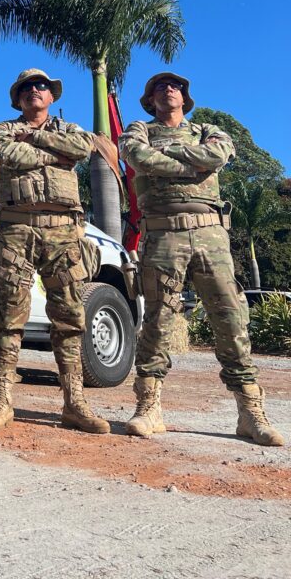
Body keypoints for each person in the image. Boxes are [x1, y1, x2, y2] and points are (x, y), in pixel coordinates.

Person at [119, 72, 283, 446]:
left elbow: (219, 154)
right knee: (159, 318)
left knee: (230, 316)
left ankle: (250, 412)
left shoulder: (208, 129)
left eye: (176, 86)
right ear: (149, 100)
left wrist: (170, 156)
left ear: (185, 97)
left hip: (211, 234)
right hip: (162, 232)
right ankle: (148, 407)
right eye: (160, 86)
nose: (169, 89)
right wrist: (194, 166)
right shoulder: (139, 130)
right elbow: (137, 157)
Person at [0, 69, 109, 434]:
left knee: (69, 316)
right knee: (10, 314)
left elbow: (81, 148)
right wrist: (55, 154)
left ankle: (75, 402)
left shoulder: (70, 129)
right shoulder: (3, 129)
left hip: (63, 232)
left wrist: (35, 138)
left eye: (41, 86)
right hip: (17, 229)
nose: (34, 91)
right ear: (17, 98)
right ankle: (2, 400)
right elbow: (7, 155)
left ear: (51, 96)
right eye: (26, 87)